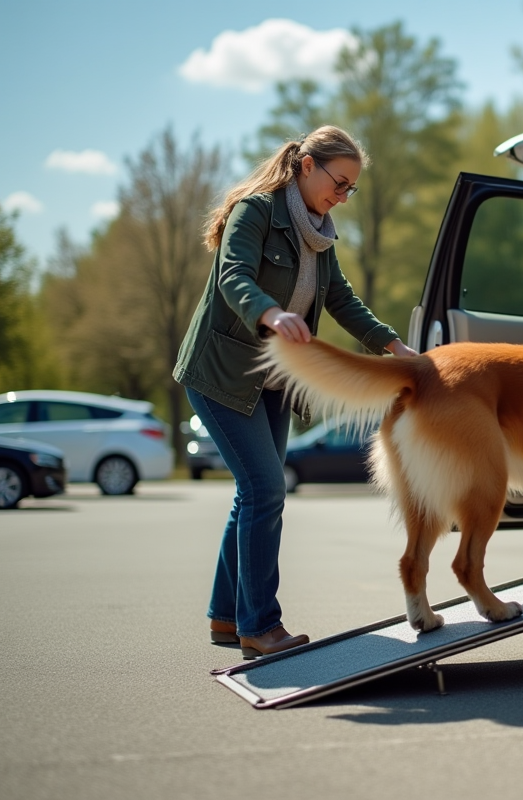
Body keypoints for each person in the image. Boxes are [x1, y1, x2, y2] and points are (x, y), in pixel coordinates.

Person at [173, 125, 418, 659]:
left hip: (274, 383)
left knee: (253, 495)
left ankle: (225, 615)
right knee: (266, 491)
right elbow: (232, 274)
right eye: (340, 182)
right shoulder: (256, 211)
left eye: (351, 189)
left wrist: (395, 347)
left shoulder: (321, 234)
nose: (343, 195)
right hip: (220, 374)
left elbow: (342, 300)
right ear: (308, 166)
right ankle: (259, 626)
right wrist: (272, 311)